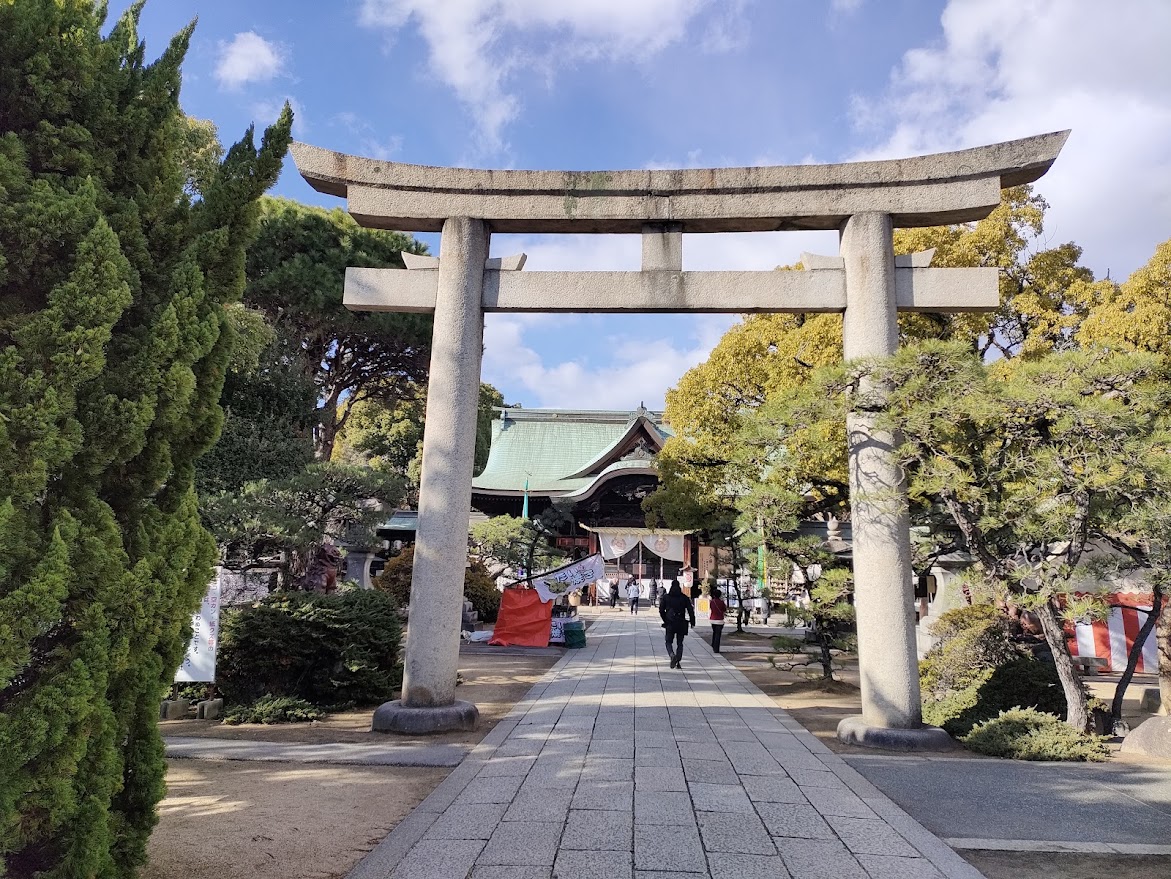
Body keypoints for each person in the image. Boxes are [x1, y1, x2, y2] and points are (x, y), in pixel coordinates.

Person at [659, 579, 696, 668]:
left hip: (670, 622)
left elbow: (661, 610)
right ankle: (678, 659)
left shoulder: (666, 597)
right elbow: (690, 610)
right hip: (681, 622)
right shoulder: (684, 597)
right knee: (680, 643)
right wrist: (692, 621)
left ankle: (672, 655)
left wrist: (665, 619)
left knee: (668, 642)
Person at [708, 587, 727, 654]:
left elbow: (711, 608)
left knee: (714, 632)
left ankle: (713, 644)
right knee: (718, 634)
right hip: (720, 620)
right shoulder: (721, 602)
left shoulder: (712, 602)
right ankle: (716, 648)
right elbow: (724, 609)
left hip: (713, 619)